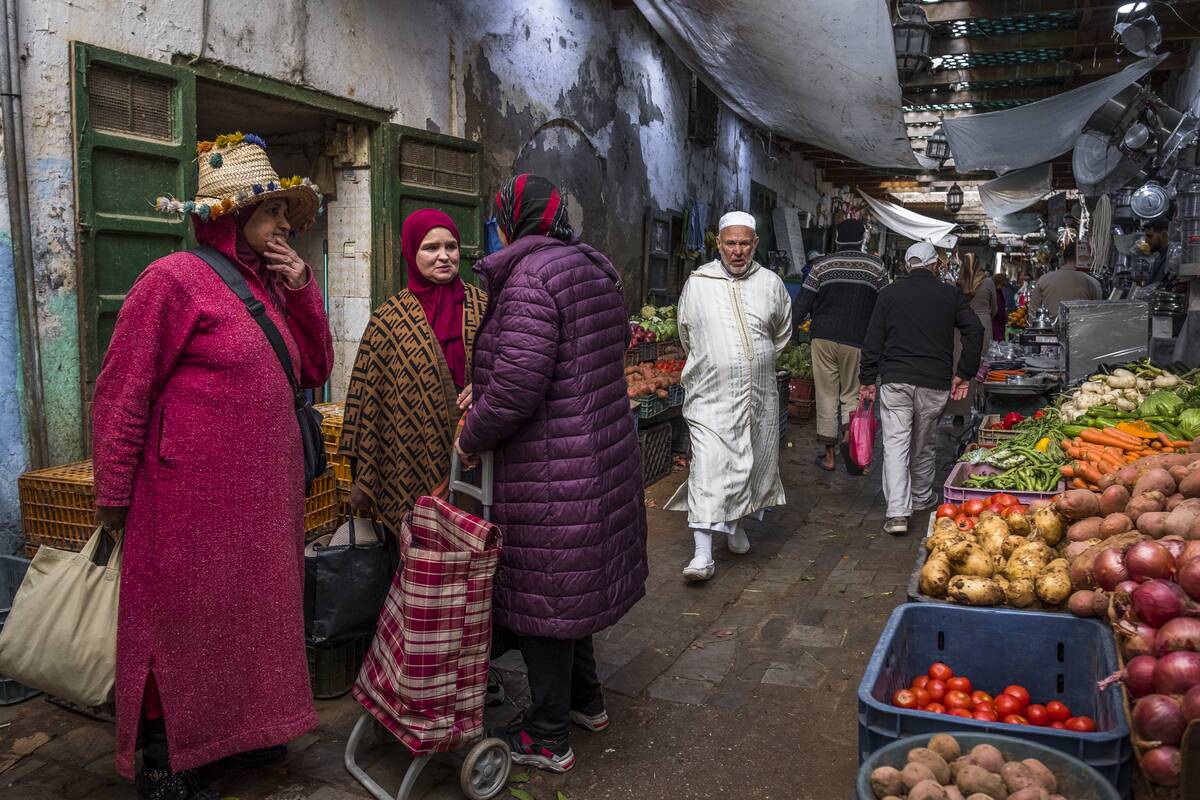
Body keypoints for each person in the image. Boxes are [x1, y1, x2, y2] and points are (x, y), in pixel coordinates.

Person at [92, 133, 333, 798]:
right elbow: (123, 390)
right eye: (269, 212)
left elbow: (313, 370)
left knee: (253, 621)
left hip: (261, 499)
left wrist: (304, 288)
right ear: (227, 219)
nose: (283, 224)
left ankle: (246, 733)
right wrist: (113, 492)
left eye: (284, 211)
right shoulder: (172, 281)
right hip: (188, 500)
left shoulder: (272, 287)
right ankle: (174, 757)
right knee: (185, 627)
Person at [453, 174, 648, 773]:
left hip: (551, 470)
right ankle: (587, 702)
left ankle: (546, 734)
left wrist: (471, 435)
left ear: (515, 219)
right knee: (570, 593)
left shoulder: (533, 277)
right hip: (595, 459)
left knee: (546, 597)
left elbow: (516, 385)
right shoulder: (591, 268)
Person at [339, 209, 488, 537]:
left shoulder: (484, 307)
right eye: (431, 248)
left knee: (475, 546)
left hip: (481, 457)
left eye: (451, 247)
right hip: (407, 457)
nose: (444, 256)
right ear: (411, 252)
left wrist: (487, 387)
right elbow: (368, 400)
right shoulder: (388, 319)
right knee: (419, 557)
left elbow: (511, 368)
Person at [667, 211, 793, 581]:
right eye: (730, 243)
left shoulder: (770, 283)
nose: (737, 251)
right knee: (708, 466)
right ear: (718, 244)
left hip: (758, 397)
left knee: (749, 462)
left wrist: (753, 361)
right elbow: (686, 331)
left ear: (755, 244)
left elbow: (782, 333)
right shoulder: (699, 282)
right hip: (710, 395)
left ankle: (736, 526)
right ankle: (702, 555)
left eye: (744, 243)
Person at [858, 242, 984, 537]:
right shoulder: (950, 294)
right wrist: (964, 373)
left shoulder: (888, 295)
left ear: (906, 266)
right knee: (924, 442)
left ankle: (898, 513)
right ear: (935, 267)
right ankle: (922, 497)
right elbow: (975, 331)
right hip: (934, 383)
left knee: (896, 445)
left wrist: (867, 380)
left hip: (895, 380)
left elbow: (872, 340)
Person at [792, 218, 887, 472]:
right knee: (851, 396)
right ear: (862, 240)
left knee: (826, 395)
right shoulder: (876, 267)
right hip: (858, 340)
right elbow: (885, 305)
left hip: (823, 338)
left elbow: (802, 303)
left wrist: (790, 333)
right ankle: (853, 450)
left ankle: (830, 458)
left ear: (836, 239)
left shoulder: (821, 265)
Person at [1028, 241, 1102, 316]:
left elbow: (1032, 312)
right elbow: (1097, 315)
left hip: (1051, 326)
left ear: (1064, 257)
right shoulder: (1093, 283)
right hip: (1082, 327)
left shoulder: (1044, 280)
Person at [1144, 218, 1172, 285]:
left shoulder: (1172, 258)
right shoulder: (1158, 259)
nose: (1146, 241)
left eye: (1150, 236)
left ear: (1164, 235)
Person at [992, 273, 1011, 341]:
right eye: (1002, 284)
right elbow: (998, 309)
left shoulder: (998, 292)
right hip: (996, 323)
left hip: (998, 322)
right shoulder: (996, 293)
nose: (1003, 287)